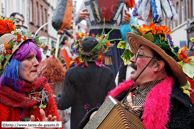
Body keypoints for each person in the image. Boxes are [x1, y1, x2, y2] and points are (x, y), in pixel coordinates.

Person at [78, 23, 194, 128]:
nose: (132, 59)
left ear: (157, 66)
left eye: (140, 55)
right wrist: (93, 115)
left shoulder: (178, 105)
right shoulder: (124, 93)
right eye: (135, 54)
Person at [0, 32, 62, 128]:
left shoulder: (43, 90)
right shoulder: (2, 96)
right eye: (29, 58)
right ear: (12, 65)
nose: (37, 63)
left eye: (36, 57)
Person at [55, 34, 116, 129]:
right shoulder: (107, 73)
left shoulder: (72, 72)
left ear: (80, 52)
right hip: (101, 123)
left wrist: (53, 98)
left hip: (79, 124)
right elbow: (113, 102)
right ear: (98, 52)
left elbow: (64, 103)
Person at [75, 0, 131, 77]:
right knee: (94, 65)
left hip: (114, 35)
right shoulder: (87, 1)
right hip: (95, 35)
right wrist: (78, 16)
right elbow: (75, 20)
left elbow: (123, 20)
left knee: (114, 65)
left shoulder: (121, 1)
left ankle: (113, 85)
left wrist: (127, 19)